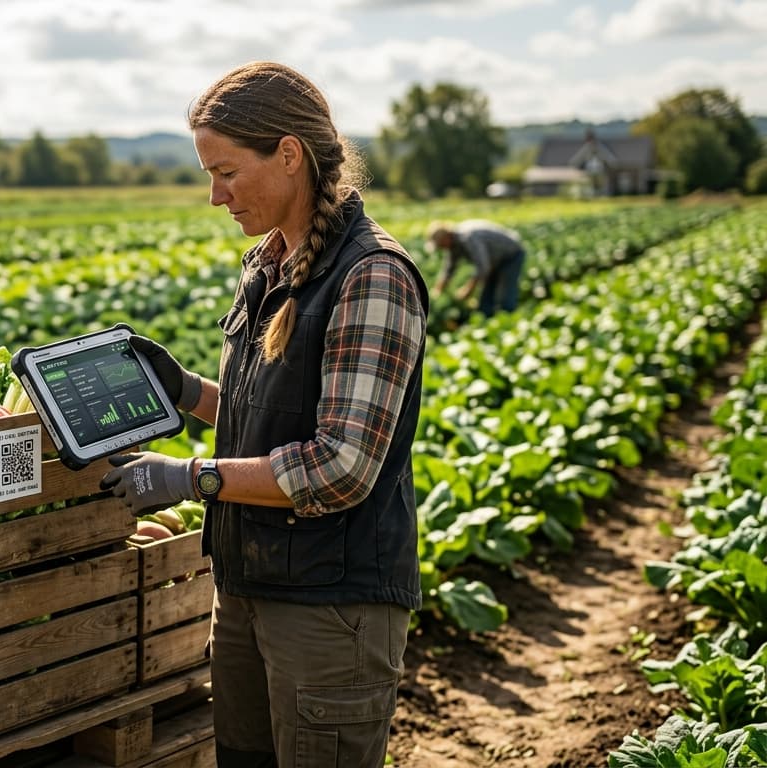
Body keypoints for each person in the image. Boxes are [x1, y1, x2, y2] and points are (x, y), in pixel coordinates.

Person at [99, 62, 428, 768]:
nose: (214, 197)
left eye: (226, 172)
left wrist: (191, 477)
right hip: (250, 586)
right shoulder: (268, 264)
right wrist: (187, 393)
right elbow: (275, 419)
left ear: (287, 154)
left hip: (329, 606)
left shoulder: (371, 275)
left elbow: (340, 466)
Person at [426, 219, 525, 317]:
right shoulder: (453, 244)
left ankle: (508, 318)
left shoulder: (468, 237)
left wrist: (468, 290)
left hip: (511, 254)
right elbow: (449, 269)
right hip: (494, 259)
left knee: (506, 293)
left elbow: (483, 267)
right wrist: (438, 290)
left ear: (447, 237)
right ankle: (486, 318)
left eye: (440, 244)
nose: (441, 248)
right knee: (486, 299)